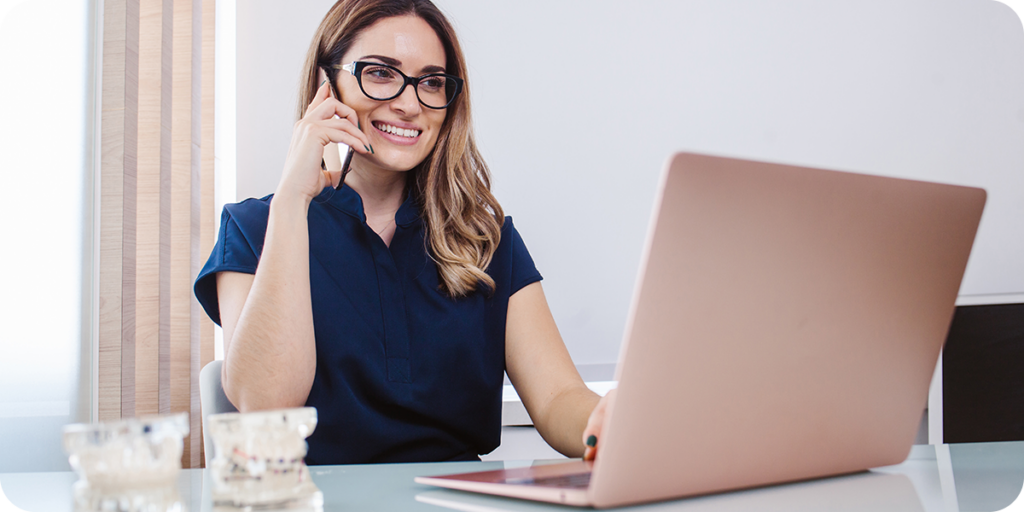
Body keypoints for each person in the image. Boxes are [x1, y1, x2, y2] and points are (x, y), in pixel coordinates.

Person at [195, 0, 612, 464]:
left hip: (455, 501)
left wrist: (607, 422)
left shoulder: (484, 240)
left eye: (432, 82)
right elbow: (266, 405)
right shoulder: (253, 229)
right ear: (325, 85)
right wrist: (293, 199)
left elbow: (558, 399)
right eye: (380, 73)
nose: (411, 104)